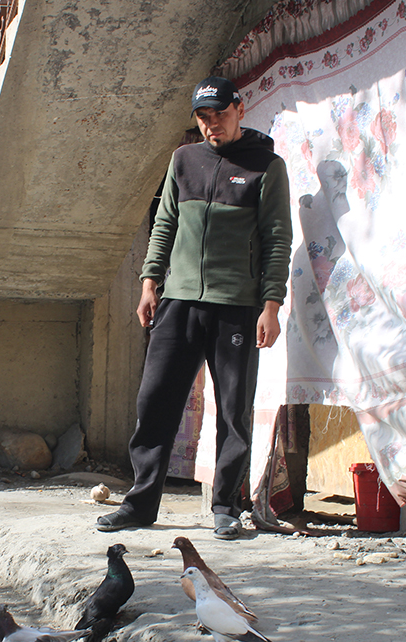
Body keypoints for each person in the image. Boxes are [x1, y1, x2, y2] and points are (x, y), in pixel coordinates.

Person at [97, 76, 293, 540]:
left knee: (232, 411)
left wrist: (271, 305)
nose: (211, 126)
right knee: (155, 400)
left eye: (219, 115)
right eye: (204, 118)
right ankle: (141, 503)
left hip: (237, 307)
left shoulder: (266, 166)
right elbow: (163, 222)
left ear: (240, 110)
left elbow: (277, 241)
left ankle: (225, 506)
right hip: (178, 301)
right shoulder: (183, 160)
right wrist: (150, 284)